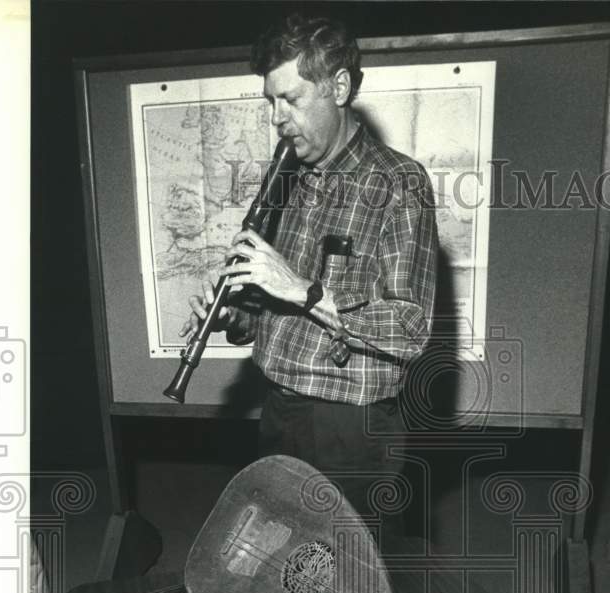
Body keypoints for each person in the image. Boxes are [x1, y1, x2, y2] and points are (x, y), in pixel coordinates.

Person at [184, 13, 438, 530]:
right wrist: (234, 314)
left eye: (292, 100)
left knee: (345, 584)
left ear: (338, 87)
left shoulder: (399, 183)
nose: (277, 118)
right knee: (287, 569)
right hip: (281, 411)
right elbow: (271, 311)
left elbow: (410, 329)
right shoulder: (289, 177)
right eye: (271, 102)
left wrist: (301, 289)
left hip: (351, 427)